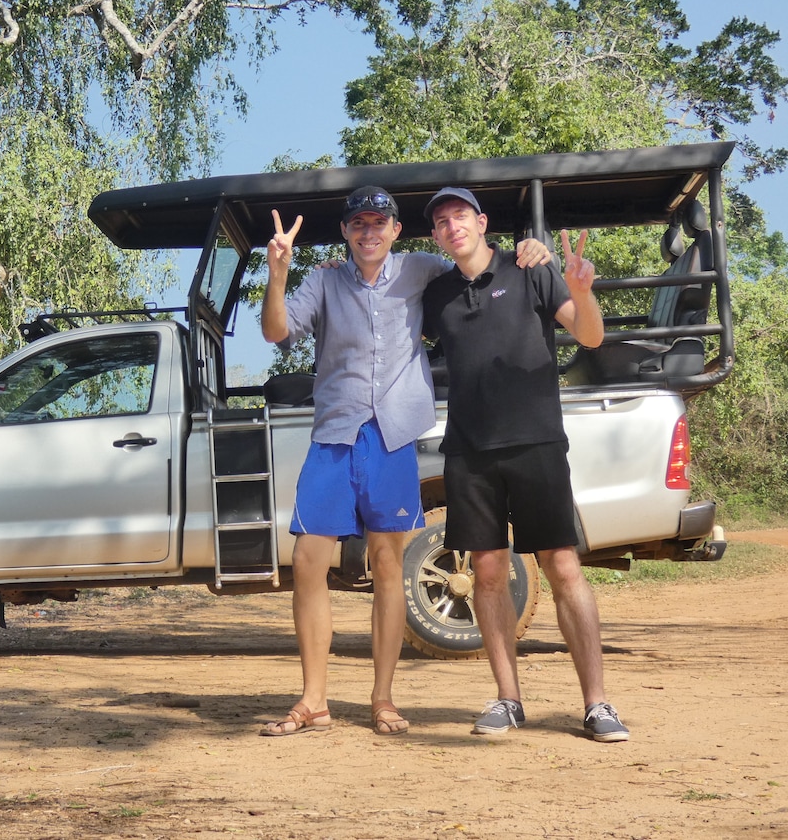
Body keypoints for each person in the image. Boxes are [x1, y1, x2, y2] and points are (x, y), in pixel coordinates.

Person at [258, 187, 549, 737]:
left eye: (379, 223)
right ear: (345, 233)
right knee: (307, 563)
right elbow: (276, 331)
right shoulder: (322, 280)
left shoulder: (421, 269)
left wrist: (530, 251)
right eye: (358, 224)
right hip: (334, 436)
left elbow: (475, 264)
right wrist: (278, 272)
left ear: (396, 230)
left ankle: (383, 698)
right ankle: (313, 700)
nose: (369, 232)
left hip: (391, 440)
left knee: (388, 567)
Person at [420, 186, 630, 743]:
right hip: (468, 452)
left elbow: (590, 334)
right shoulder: (436, 293)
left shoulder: (530, 267)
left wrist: (583, 291)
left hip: (536, 443)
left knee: (562, 567)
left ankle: (598, 704)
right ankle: (508, 699)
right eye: (440, 222)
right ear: (436, 236)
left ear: (481, 221)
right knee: (486, 573)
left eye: (459, 215)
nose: (451, 226)